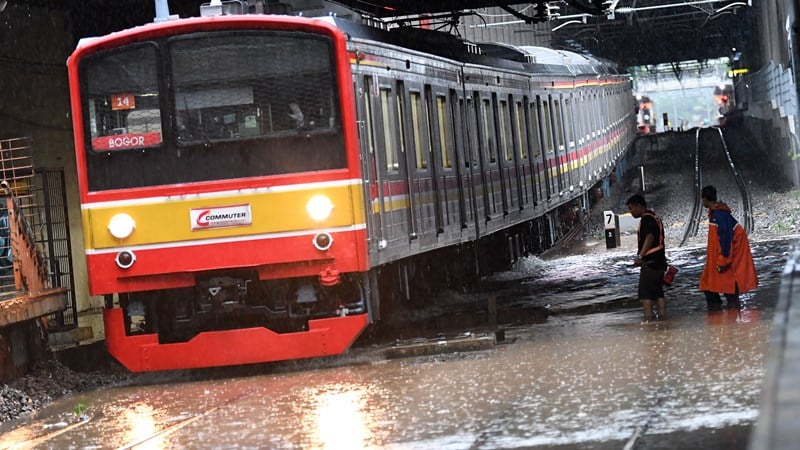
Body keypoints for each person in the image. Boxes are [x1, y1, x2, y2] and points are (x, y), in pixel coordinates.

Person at [698, 185, 758, 310]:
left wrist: (723, 260)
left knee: (721, 289)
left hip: (724, 260)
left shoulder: (718, 216)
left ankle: (720, 319)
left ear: (704, 199)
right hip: (723, 259)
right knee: (720, 289)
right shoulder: (720, 214)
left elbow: (726, 239)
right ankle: (729, 320)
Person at [627, 194, 668, 322]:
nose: (630, 212)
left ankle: (649, 323)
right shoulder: (655, 217)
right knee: (658, 293)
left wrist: (640, 256)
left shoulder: (646, 219)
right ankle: (663, 321)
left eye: (631, 208)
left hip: (650, 263)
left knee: (646, 296)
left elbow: (649, 237)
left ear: (639, 206)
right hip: (660, 261)